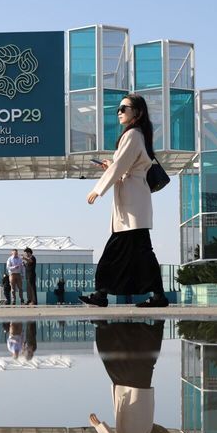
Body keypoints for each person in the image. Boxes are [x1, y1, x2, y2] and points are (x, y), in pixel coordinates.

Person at [82, 93, 169, 308]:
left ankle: (101, 294)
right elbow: (123, 166)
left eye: (124, 108)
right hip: (134, 201)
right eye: (119, 109)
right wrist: (110, 165)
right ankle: (157, 296)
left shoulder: (132, 135)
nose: (119, 112)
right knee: (140, 253)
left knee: (116, 252)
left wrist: (98, 189)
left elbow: (121, 167)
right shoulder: (138, 135)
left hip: (132, 203)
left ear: (137, 113)